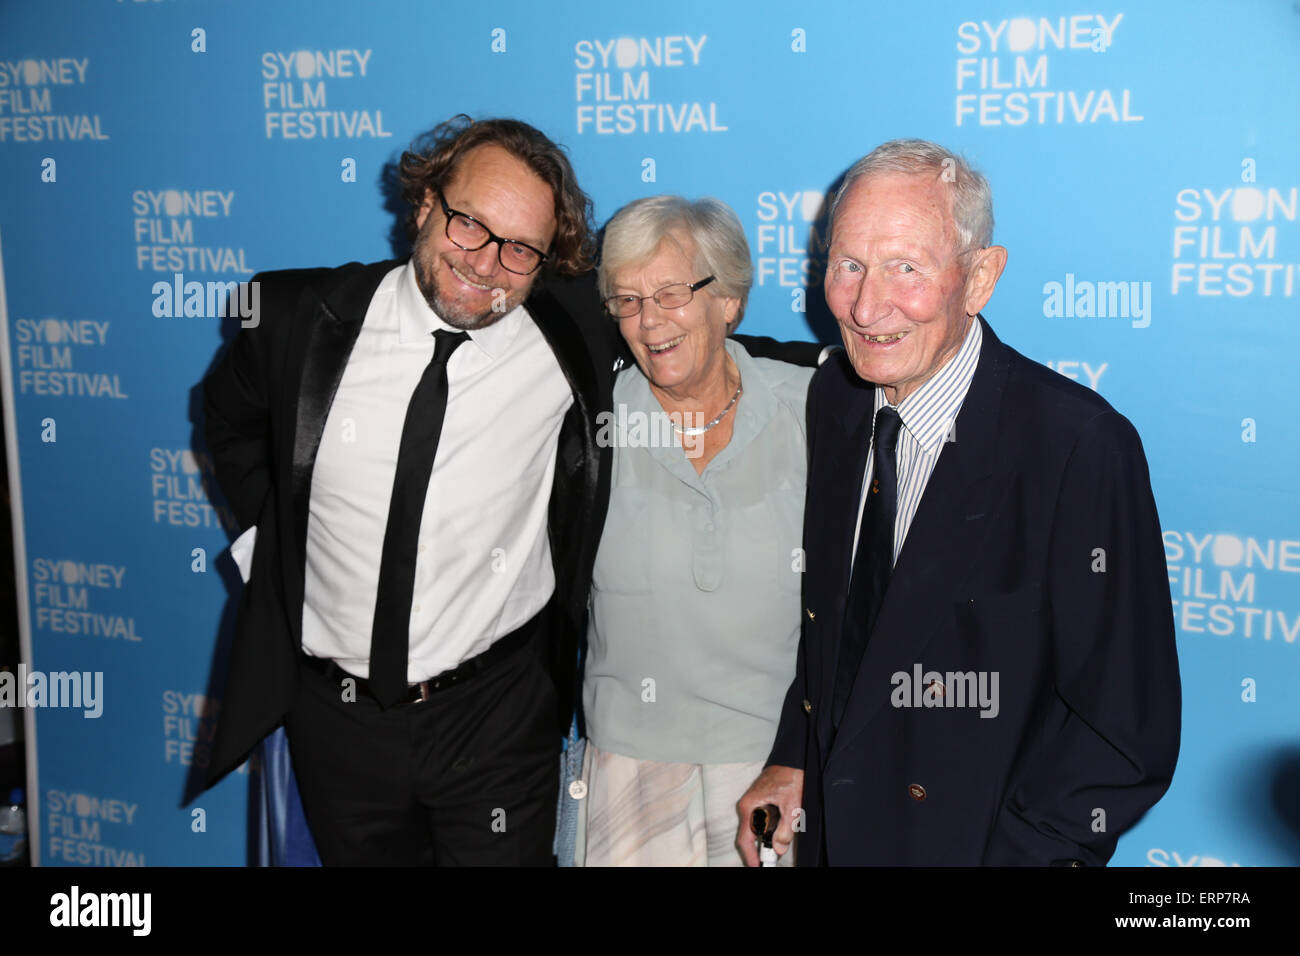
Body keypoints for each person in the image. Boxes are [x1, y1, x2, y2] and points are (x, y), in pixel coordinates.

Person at [737, 139, 1181, 866]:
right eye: (848, 265)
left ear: (979, 278)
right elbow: (838, 634)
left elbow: (1123, 732)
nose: (867, 304)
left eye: (906, 268)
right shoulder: (838, 400)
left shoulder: (1079, 448)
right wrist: (794, 758)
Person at [203, 115, 621, 865]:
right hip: (337, 723)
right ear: (426, 202)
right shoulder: (297, 322)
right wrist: (270, 548)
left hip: (495, 720)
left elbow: (694, 334)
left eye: (520, 248)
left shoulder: (572, 331)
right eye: (470, 225)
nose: (488, 264)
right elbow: (227, 419)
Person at [568, 196, 814, 866]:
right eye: (627, 300)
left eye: (671, 293)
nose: (649, 321)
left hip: (773, 769)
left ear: (728, 299)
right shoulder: (588, 430)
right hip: (629, 771)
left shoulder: (814, 412)